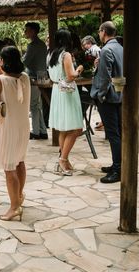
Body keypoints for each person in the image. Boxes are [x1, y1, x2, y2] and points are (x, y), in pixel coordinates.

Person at [0, 46, 30, 221]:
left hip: (7, 127)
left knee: (9, 167)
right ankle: (18, 197)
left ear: (2, 61)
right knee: (20, 161)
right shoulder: (25, 77)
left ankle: (14, 207)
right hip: (23, 125)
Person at [47, 29, 84, 176]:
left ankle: (63, 160)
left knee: (63, 128)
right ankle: (63, 159)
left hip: (57, 89)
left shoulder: (51, 54)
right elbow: (70, 76)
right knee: (76, 129)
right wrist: (79, 69)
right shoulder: (66, 55)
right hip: (67, 92)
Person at [90, 21, 123, 184]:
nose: (98, 34)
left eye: (99, 31)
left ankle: (118, 169)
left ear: (104, 32)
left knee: (113, 134)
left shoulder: (107, 49)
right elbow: (119, 72)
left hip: (108, 97)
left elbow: (104, 77)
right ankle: (118, 165)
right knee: (117, 131)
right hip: (119, 93)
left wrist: (100, 95)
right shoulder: (121, 48)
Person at [23, 22, 48, 141]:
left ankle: (36, 131)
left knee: (33, 105)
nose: (25, 32)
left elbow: (26, 62)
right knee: (38, 105)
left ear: (33, 31)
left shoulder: (32, 46)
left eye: (27, 30)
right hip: (43, 76)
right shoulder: (42, 44)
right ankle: (42, 131)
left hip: (34, 78)